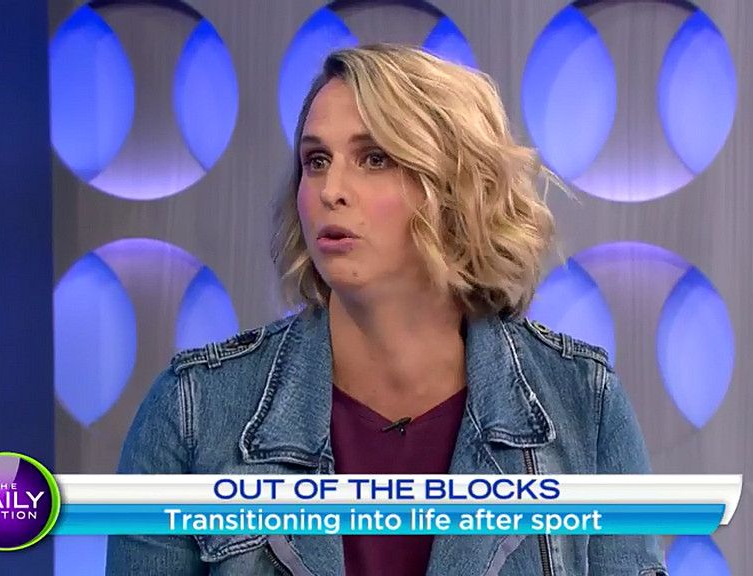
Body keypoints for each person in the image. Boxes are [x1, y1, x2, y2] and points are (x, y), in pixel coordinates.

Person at [106, 43, 667, 576]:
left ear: (457, 187)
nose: (331, 190)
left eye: (374, 158)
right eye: (316, 160)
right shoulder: (194, 409)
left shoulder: (583, 403)